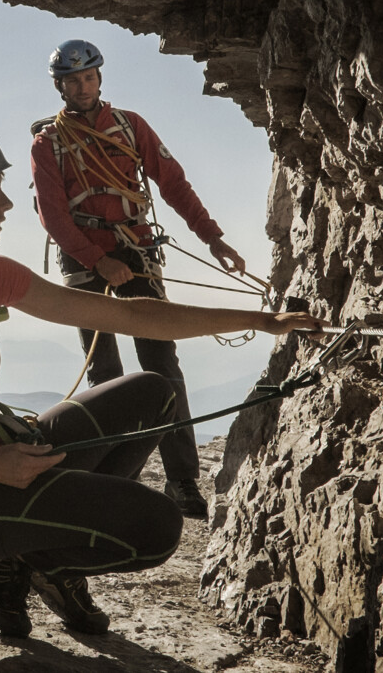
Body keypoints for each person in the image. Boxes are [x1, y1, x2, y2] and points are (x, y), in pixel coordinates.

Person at [0, 120, 321, 637]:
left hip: (3, 457)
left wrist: (259, 320)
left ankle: (40, 561)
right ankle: (35, 563)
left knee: (154, 393)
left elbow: (134, 316)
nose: (6, 204)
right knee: (157, 528)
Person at [29, 39, 247, 518]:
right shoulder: (49, 143)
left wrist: (213, 239)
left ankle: (183, 481)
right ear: (60, 86)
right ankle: (113, 480)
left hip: (136, 252)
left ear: (100, 79)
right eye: (72, 80)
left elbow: (172, 183)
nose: (82, 87)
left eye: (88, 78)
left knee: (161, 364)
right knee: (105, 373)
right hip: (86, 263)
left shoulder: (130, 126)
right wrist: (96, 258)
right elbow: (53, 216)